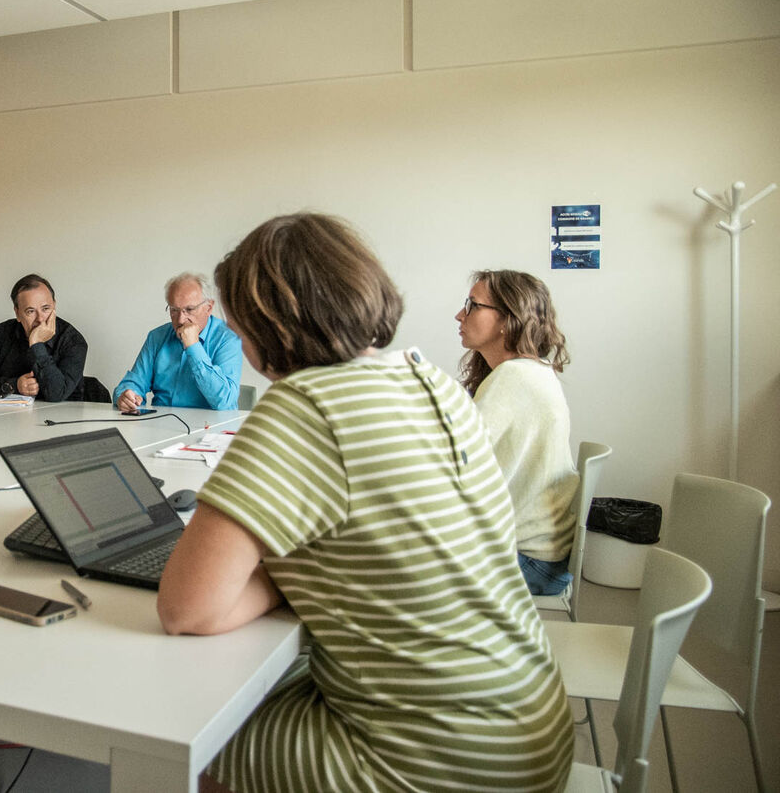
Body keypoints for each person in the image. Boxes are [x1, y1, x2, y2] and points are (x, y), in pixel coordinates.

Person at [156, 213, 572, 793]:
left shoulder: (301, 405)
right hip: (534, 727)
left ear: (267, 322)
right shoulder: (433, 383)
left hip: (447, 764)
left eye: (239, 324)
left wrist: (281, 568)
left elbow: (187, 609)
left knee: (199, 722)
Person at [456, 269, 578, 596]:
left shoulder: (513, 377)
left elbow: (454, 461)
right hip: (546, 557)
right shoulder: (534, 371)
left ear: (507, 318)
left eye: (472, 305)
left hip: (528, 561)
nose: (460, 315)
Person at [113, 272, 242, 412]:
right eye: (174, 310)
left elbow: (225, 402)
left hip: (211, 424)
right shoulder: (157, 337)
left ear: (209, 307)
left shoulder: (228, 338)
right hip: (161, 422)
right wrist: (126, 397)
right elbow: (134, 383)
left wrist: (193, 347)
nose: (180, 320)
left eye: (189, 309)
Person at [0, 274, 87, 402]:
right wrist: (14, 385)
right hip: (7, 413)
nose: (40, 319)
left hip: (63, 412)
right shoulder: (1, 333)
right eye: (30, 311)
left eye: (46, 309)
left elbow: (57, 394)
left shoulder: (73, 340)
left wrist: (37, 345)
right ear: (17, 313)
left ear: (54, 306)